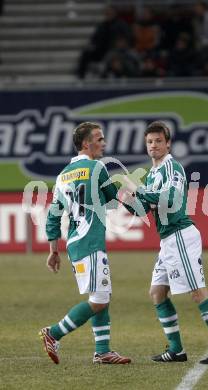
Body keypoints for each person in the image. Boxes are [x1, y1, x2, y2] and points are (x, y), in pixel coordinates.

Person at [122, 121, 208, 364]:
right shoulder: (153, 173)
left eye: (158, 141)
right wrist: (126, 200)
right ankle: (176, 350)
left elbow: (170, 198)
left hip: (180, 236)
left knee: (197, 292)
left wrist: (139, 191)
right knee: (157, 293)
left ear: (168, 143)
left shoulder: (172, 167)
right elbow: (145, 208)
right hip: (168, 240)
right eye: (150, 142)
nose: (154, 146)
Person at [39, 122, 131, 365]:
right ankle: (54, 333)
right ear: (86, 144)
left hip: (75, 243)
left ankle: (102, 351)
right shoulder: (96, 167)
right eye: (99, 139)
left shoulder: (62, 176)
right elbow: (114, 197)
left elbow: (54, 216)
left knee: (101, 294)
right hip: (90, 241)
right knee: (99, 299)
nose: (104, 143)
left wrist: (53, 250)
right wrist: (140, 197)